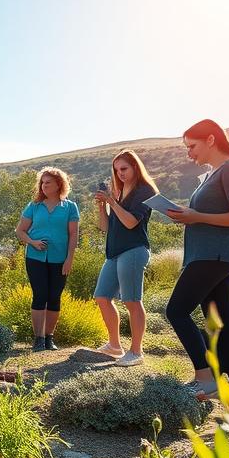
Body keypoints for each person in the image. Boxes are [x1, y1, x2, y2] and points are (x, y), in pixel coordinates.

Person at [165, 119, 229, 397]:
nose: (189, 152)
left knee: (176, 311)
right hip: (209, 254)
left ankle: (205, 377)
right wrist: (188, 216)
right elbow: (212, 214)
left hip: (215, 254)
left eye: (192, 146)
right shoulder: (215, 173)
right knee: (220, 317)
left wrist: (197, 216)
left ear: (211, 140)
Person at [93, 150, 157, 366]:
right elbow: (105, 227)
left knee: (132, 300)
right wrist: (103, 205)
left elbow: (131, 223)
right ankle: (114, 345)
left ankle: (136, 352)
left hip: (134, 250)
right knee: (102, 297)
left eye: (124, 169)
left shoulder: (145, 191)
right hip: (114, 252)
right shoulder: (119, 191)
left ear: (135, 168)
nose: (119, 173)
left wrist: (111, 201)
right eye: (116, 170)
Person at [15, 167, 79, 351]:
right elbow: (20, 231)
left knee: (54, 298)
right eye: (42, 182)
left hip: (60, 259)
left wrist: (69, 259)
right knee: (40, 295)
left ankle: (49, 338)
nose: (43, 186)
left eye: (48, 182)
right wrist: (32, 242)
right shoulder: (33, 206)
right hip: (35, 258)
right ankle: (38, 339)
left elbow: (74, 235)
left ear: (59, 184)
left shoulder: (70, 207)